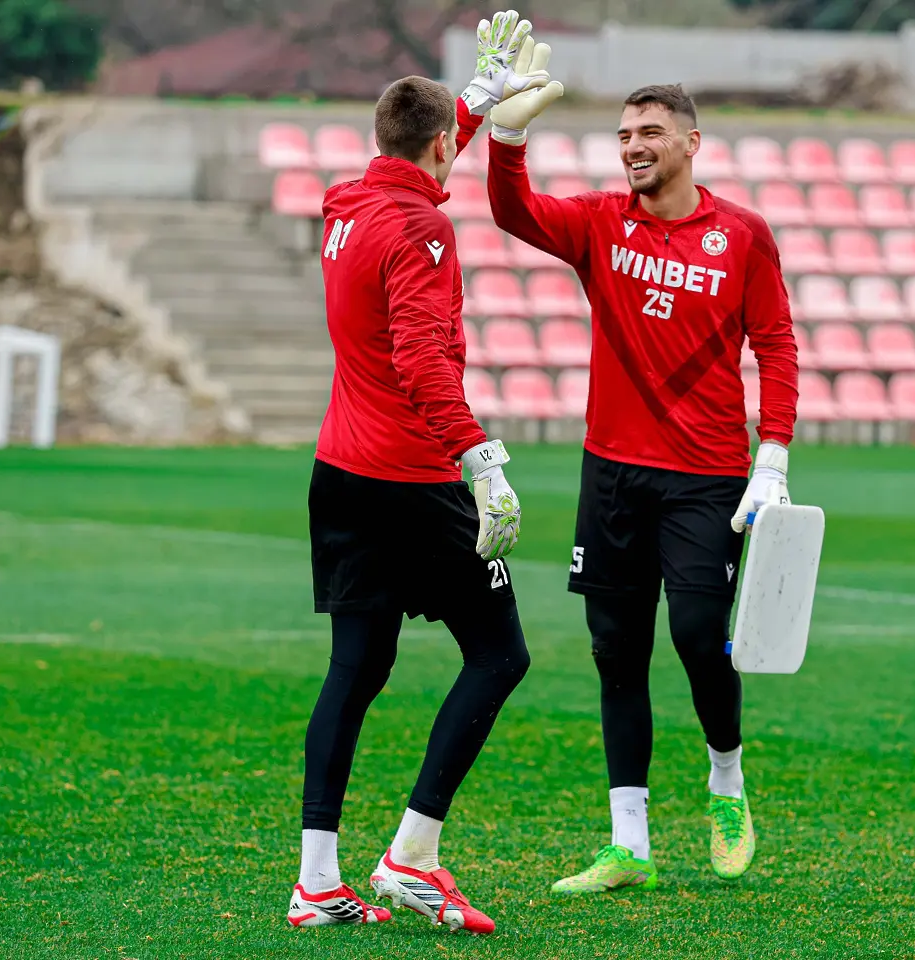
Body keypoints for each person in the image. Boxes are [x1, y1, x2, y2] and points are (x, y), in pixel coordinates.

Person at [484, 67, 799, 891]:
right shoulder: (598, 224)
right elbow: (512, 211)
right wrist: (507, 138)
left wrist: (774, 455)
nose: (633, 148)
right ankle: (630, 846)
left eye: (649, 134)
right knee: (616, 655)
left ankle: (725, 781)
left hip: (707, 476)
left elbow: (777, 344)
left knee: (699, 637)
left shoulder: (744, 235)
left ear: (691, 143)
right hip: (614, 476)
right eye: (623, 136)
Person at [286, 10, 547, 934]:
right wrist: (484, 464)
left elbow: (413, 164)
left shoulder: (349, 205)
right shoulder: (423, 237)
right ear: (443, 148)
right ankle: (412, 857)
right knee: (501, 652)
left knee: (356, 668)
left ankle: (316, 883)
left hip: (340, 471)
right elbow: (422, 363)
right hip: (412, 477)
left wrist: (471, 103)